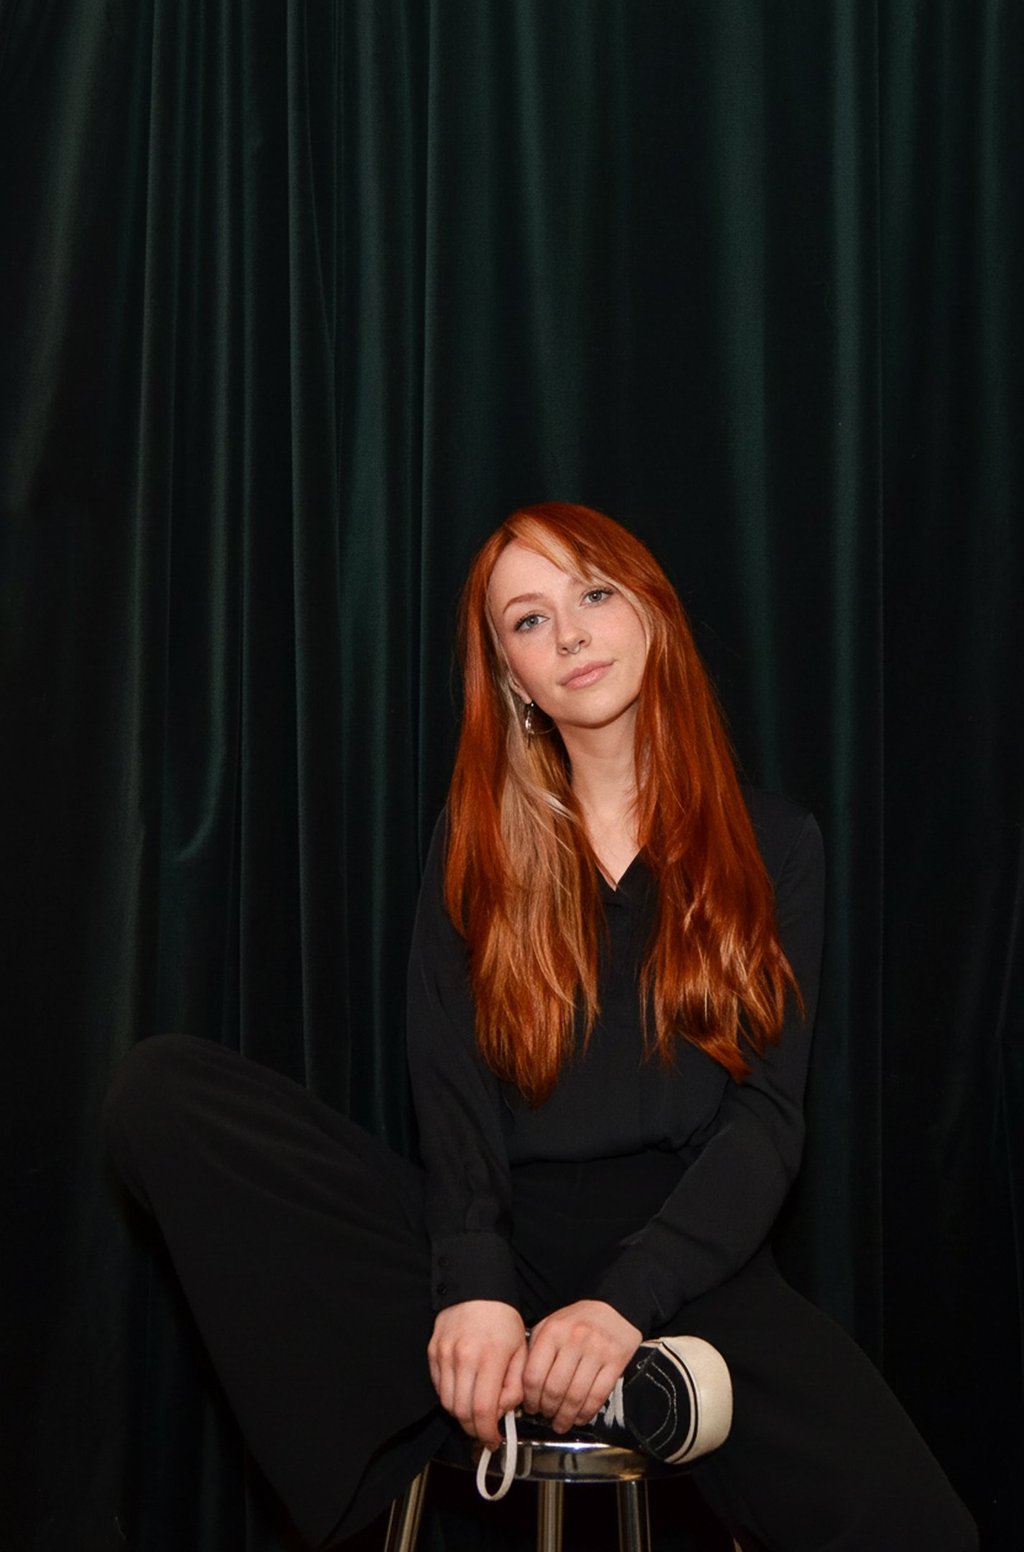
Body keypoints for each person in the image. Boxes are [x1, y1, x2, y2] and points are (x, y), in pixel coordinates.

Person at [104, 503, 977, 1551]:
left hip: (685, 1264)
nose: (568, 633)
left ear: (651, 615)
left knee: (921, 1528)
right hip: (497, 1239)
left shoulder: (775, 842)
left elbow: (768, 1120)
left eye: (594, 594)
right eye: (528, 619)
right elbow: (450, 1088)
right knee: (161, 1092)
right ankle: (523, 1375)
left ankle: (602, 1376)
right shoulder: (474, 844)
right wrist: (472, 1286)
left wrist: (623, 1303)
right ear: (513, 677)